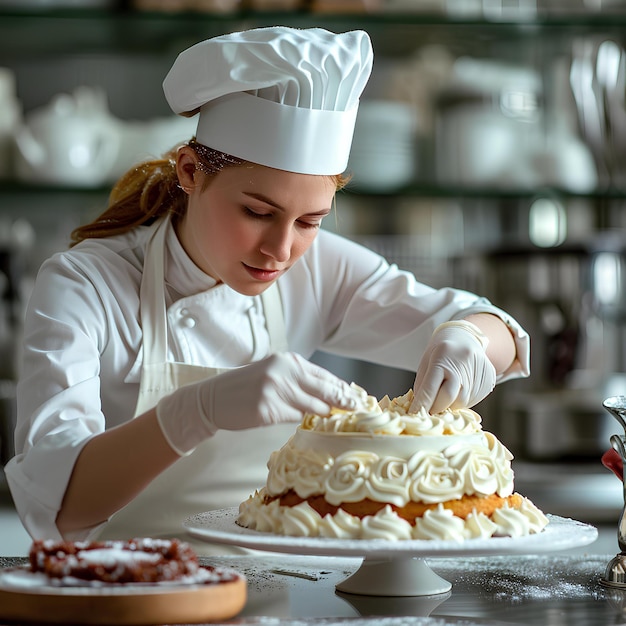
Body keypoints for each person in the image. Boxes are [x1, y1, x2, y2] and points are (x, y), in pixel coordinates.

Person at [5, 26, 529, 554]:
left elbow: (495, 328)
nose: (280, 249)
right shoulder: (85, 285)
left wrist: (469, 338)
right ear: (190, 172)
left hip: (278, 598)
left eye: (310, 221)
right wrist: (196, 411)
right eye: (258, 212)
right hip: (124, 590)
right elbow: (55, 507)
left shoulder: (316, 270)